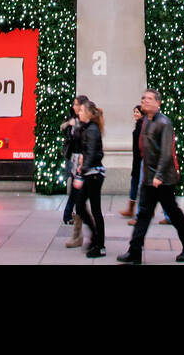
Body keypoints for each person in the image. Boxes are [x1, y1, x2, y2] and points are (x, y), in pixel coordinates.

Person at [118, 88, 184, 264]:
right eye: (143, 98)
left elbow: (167, 152)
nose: (144, 101)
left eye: (149, 98)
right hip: (148, 177)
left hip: (163, 180)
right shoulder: (145, 120)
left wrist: (159, 175)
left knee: (173, 213)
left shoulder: (164, 122)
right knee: (143, 215)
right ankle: (134, 251)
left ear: (158, 103)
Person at [74, 100, 106, 257]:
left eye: (81, 111)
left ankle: (100, 245)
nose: (78, 113)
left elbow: (92, 153)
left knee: (95, 209)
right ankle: (95, 237)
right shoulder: (87, 128)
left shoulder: (92, 130)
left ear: (87, 113)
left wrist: (80, 174)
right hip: (90, 172)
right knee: (80, 206)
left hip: (94, 174)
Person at [61, 94, 88, 244]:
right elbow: (69, 136)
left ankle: (73, 218)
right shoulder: (73, 119)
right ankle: (73, 220)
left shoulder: (85, 123)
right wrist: (69, 125)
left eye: (76, 104)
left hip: (82, 161)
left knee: (79, 193)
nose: (73, 106)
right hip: (74, 158)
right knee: (77, 192)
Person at [122, 105, 142, 220]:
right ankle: (131, 208)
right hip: (137, 160)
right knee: (134, 183)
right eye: (134, 112)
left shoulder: (142, 127)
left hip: (140, 160)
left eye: (137, 112)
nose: (135, 114)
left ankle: (141, 211)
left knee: (140, 186)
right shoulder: (138, 126)